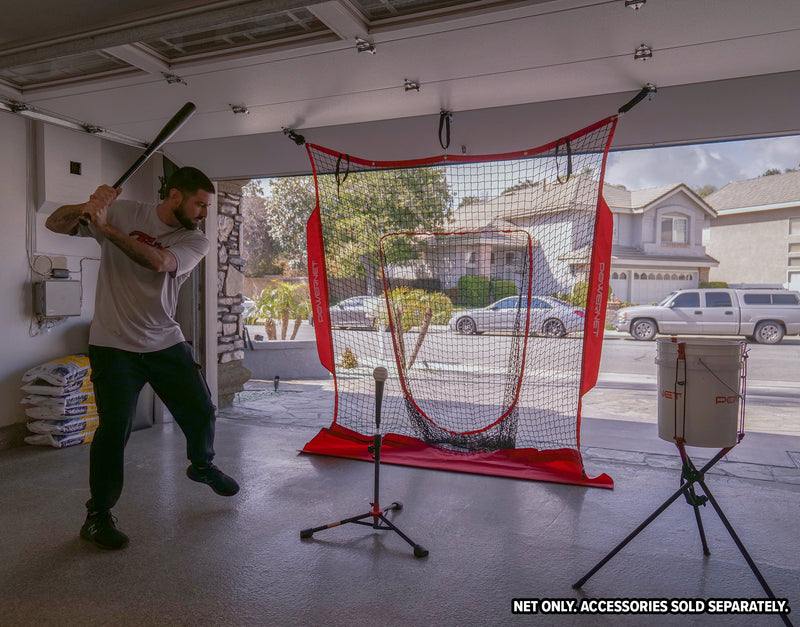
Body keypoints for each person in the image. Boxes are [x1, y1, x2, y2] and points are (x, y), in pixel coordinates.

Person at [46, 167, 239, 550]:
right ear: (175, 197)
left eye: (207, 206)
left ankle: (201, 465)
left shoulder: (194, 241)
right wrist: (89, 206)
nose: (204, 213)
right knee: (113, 432)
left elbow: (158, 263)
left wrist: (105, 229)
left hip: (163, 340)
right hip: (112, 343)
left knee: (201, 410)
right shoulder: (124, 211)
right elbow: (55, 222)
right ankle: (97, 517)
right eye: (200, 203)